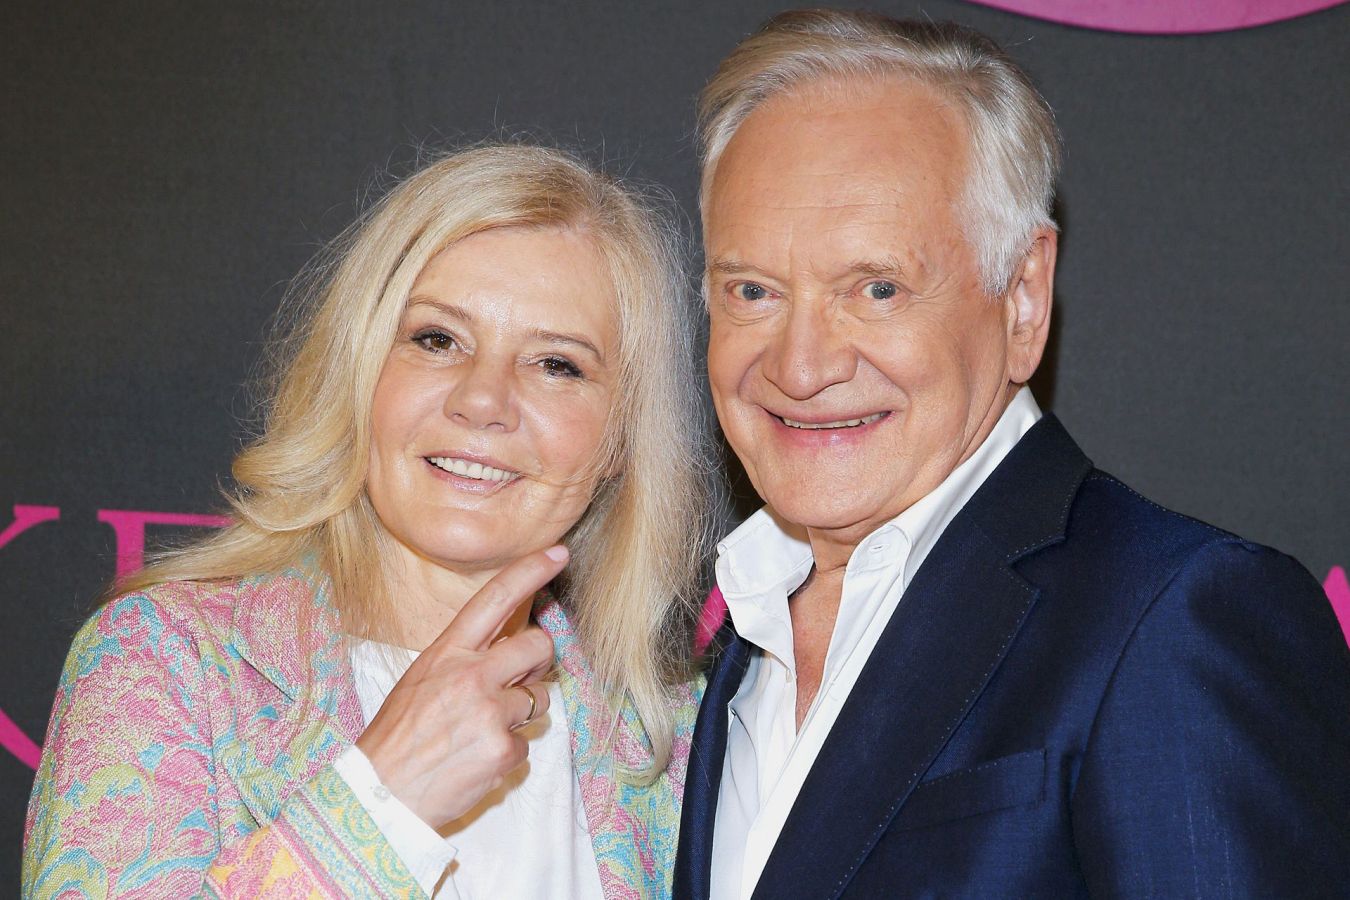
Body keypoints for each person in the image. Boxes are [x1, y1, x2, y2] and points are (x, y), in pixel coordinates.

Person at [674, 11, 1350, 899]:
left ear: (1023, 297)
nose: (800, 368)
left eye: (876, 288)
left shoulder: (1172, 618)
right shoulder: (736, 641)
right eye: (753, 291)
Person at [24, 143, 713, 899]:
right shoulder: (165, 664)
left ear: (621, 440)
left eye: (557, 364)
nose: (482, 401)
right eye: (437, 340)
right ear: (358, 371)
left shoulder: (674, 741)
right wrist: (384, 803)